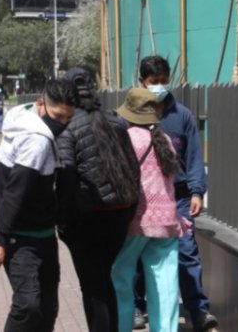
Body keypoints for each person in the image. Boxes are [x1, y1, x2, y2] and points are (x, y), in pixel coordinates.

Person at [129, 55, 216, 331]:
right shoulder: (133, 117)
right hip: (143, 195)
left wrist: (196, 192)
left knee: (187, 251)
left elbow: (193, 156)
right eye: (154, 82)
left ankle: (197, 309)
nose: (159, 86)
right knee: (139, 252)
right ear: (143, 81)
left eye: (163, 81)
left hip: (176, 196)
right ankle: (136, 306)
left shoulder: (182, 116)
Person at [55, 67, 141, 332]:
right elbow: (134, 172)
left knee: (92, 287)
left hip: (85, 217)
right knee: (105, 281)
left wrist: (62, 217)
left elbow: (67, 176)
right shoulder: (117, 121)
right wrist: (128, 213)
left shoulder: (67, 127)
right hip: (118, 216)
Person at [0, 78, 75, 331]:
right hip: (21, 238)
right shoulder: (37, 139)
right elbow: (15, 190)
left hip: (43, 234)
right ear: (41, 104)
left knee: (47, 307)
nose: (63, 124)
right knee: (28, 306)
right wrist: (0, 239)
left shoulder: (24, 118)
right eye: (58, 116)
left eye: (68, 118)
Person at [112, 88, 191, 332]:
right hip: (167, 221)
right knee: (166, 285)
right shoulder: (163, 138)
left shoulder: (126, 138)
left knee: (121, 277)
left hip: (138, 221)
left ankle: (123, 326)